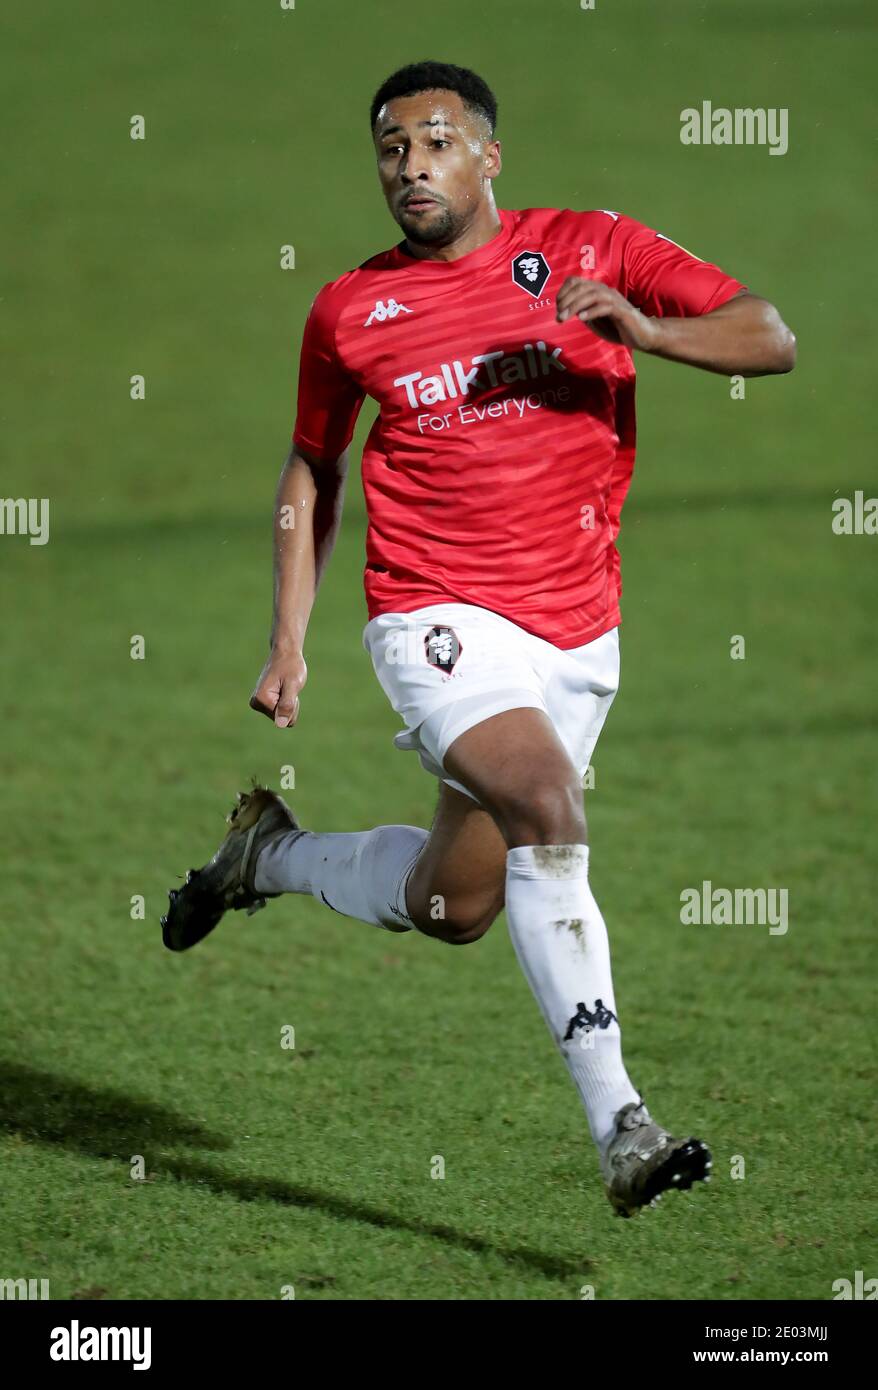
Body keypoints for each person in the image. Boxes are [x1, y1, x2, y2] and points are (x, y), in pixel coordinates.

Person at [162, 61, 795, 1216]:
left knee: (454, 905)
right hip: (433, 612)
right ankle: (622, 1128)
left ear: (488, 156)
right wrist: (288, 639)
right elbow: (313, 462)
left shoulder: (593, 246)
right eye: (392, 149)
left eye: (437, 142)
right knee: (548, 808)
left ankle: (268, 857)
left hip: (576, 629)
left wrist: (645, 330)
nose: (412, 166)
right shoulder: (351, 307)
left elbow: (769, 335)